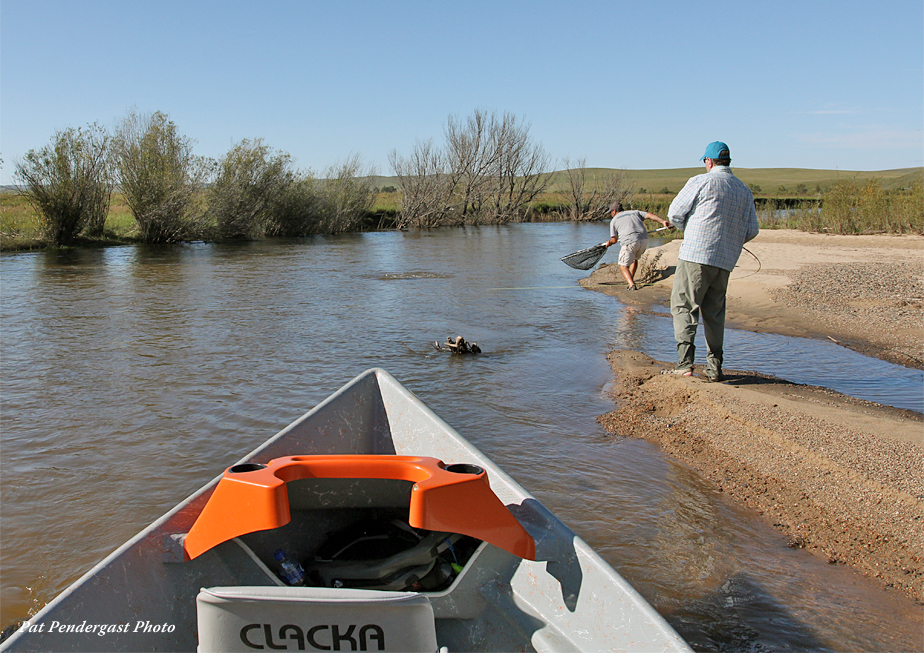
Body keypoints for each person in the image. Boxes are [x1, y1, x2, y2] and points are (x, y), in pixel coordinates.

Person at [664, 141, 759, 381]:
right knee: (715, 314)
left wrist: (689, 229)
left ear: (709, 161)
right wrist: (729, 241)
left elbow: (674, 214)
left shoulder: (701, 181)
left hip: (695, 255)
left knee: (684, 306)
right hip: (725, 260)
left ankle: (685, 364)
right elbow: (752, 230)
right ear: (727, 161)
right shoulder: (744, 190)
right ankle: (715, 368)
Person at [605, 202, 672, 290]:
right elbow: (649, 215)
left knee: (623, 266)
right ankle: (631, 280)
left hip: (630, 242)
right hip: (644, 240)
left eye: (611, 212)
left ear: (614, 211)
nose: (611, 214)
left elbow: (614, 240)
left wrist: (609, 243)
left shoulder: (614, 220)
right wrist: (663, 221)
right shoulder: (634, 212)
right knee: (634, 259)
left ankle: (631, 285)